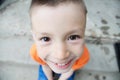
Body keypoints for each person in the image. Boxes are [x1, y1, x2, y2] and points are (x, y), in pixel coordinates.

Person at [29, 0, 90, 80]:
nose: (61, 56)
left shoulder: (83, 57)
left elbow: (70, 70)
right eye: (46, 39)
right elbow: (45, 66)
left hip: (71, 66)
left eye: (73, 37)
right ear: (34, 37)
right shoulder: (36, 53)